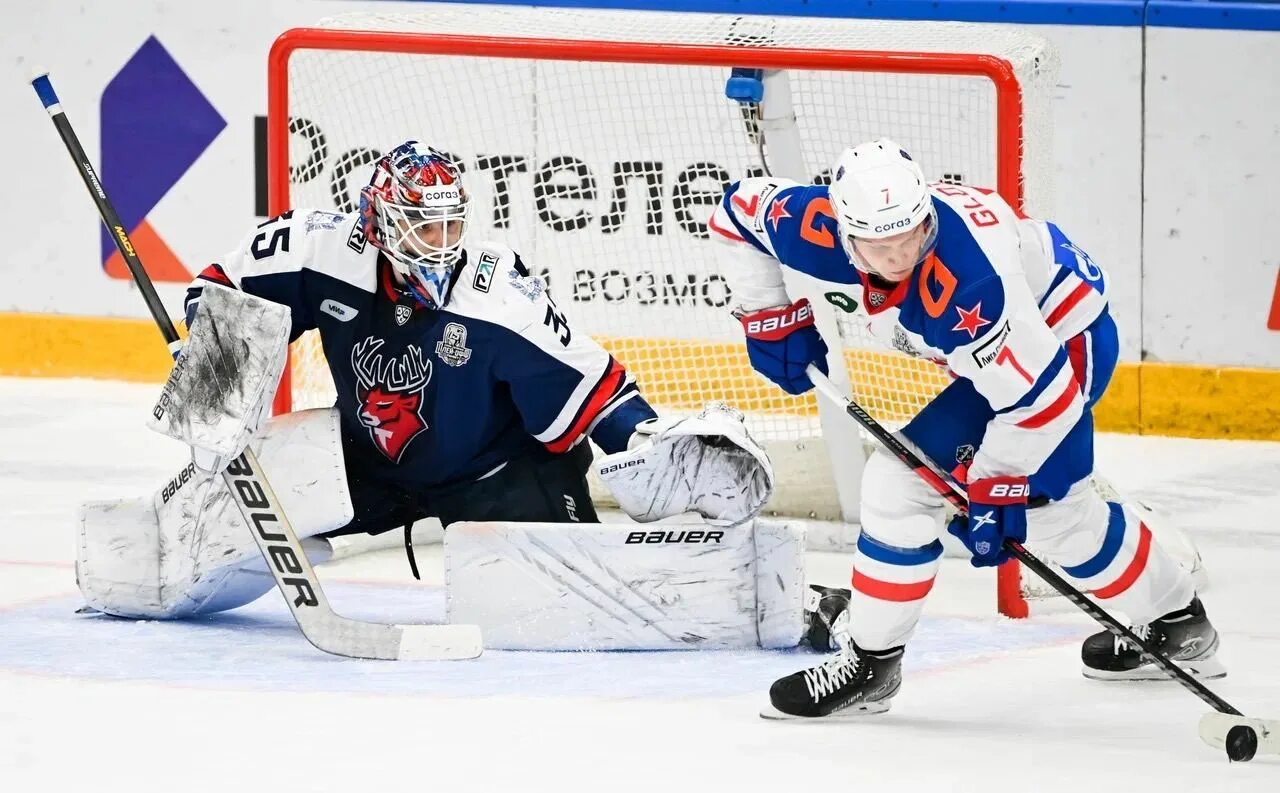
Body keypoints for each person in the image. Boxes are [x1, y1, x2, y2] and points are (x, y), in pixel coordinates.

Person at [76, 140, 806, 652]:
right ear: (382, 224)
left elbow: (591, 385)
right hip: (366, 461)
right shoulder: (321, 249)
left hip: (497, 474)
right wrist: (212, 360)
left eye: (454, 221)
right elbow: (221, 286)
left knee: (579, 599)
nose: (444, 239)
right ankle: (139, 558)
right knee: (227, 505)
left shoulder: (498, 295)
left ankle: (744, 595)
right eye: (426, 225)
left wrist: (643, 444)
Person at [708, 138, 1223, 718]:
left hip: (1060, 347)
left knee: (1037, 513)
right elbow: (735, 212)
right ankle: (873, 666)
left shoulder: (968, 286)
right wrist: (769, 316)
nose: (901, 256)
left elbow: (1043, 398)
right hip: (1011, 366)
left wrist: (995, 483)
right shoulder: (812, 225)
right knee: (912, 489)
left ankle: (1177, 623)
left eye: (913, 235)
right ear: (844, 233)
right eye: (881, 245)